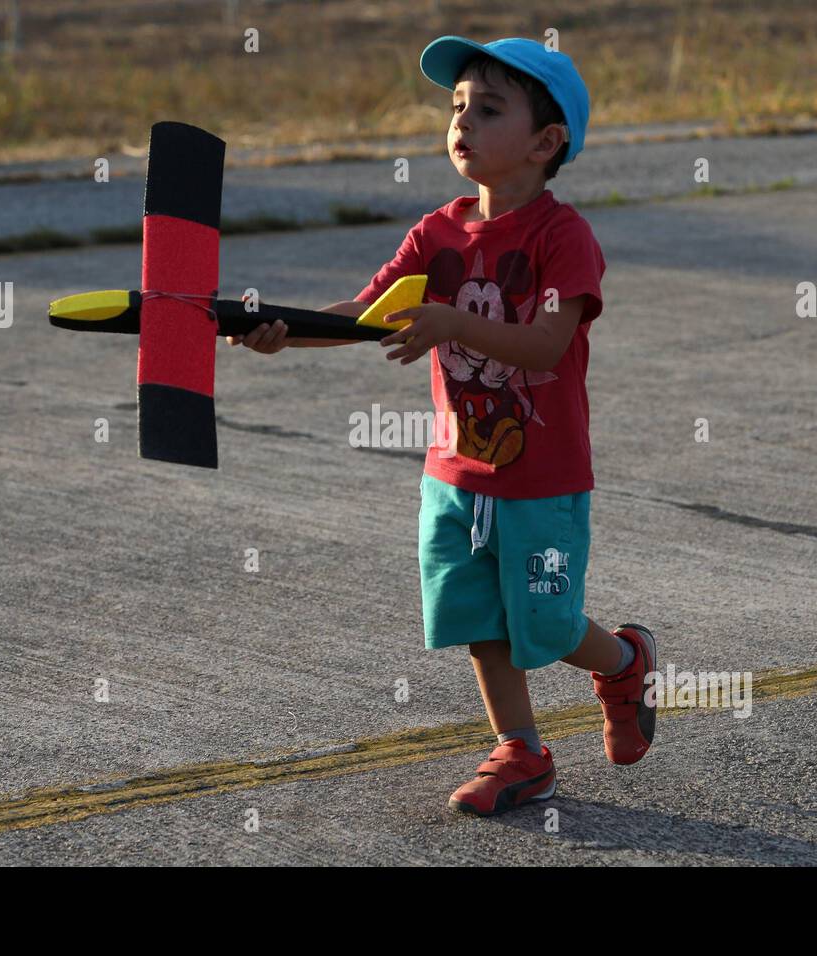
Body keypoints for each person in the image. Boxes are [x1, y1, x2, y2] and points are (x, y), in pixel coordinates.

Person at [228, 36, 656, 817]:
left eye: (488, 108)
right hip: (455, 473)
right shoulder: (437, 235)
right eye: (457, 106)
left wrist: (451, 319)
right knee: (477, 617)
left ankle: (624, 661)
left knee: (549, 621)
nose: (463, 121)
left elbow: (547, 345)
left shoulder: (563, 240)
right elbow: (366, 315)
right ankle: (520, 750)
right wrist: (281, 328)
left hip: (542, 478)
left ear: (545, 142)